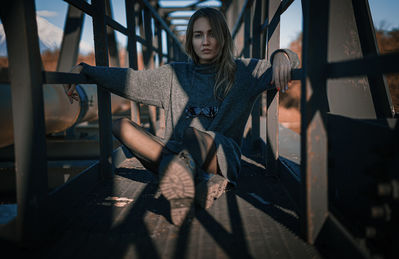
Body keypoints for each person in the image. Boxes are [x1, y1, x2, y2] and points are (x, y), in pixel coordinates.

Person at [64, 7, 299, 226]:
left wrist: (282, 55)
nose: (205, 41)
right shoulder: (175, 74)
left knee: (192, 135)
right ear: (190, 40)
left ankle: (184, 179)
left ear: (223, 38)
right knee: (121, 126)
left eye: (211, 34)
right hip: (175, 153)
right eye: (198, 35)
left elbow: (287, 64)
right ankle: (187, 182)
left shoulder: (244, 72)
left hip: (221, 155)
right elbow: (131, 80)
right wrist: (88, 70)